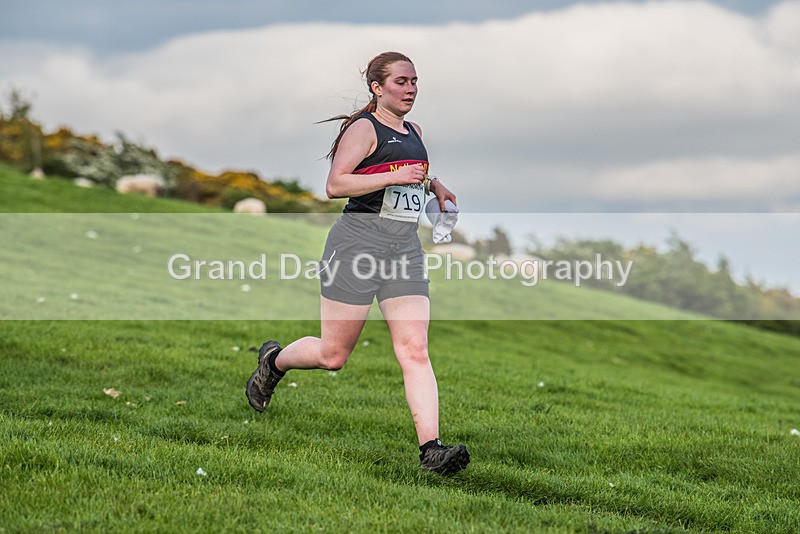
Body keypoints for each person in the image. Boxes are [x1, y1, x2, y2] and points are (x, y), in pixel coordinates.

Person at [246, 51, 469, 475]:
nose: (410, 89)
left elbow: (415, 172)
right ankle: (272, 362)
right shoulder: (363, 128)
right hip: (356, 244)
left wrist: (436, 186)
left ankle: (432, 451)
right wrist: (393, 177)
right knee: (333, 355)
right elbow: (336, 184)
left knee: (415, 350)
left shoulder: (414, 130)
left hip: (403, 249)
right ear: (377, 87)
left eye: (415, 82)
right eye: (401, 82)